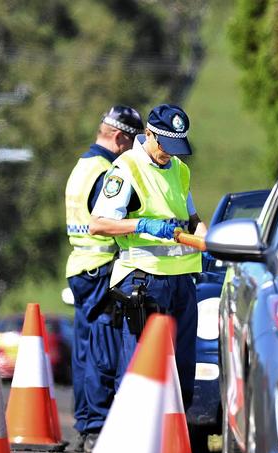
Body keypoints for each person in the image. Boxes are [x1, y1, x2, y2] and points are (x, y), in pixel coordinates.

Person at [89, 104, 206, 410]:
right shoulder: (126, 168)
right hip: (144, 282)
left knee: (181, 370)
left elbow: (192, 219)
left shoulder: (180, 170)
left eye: (176, 147)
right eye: (164, 145)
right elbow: (98, 224)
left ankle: (172, 452)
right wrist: (142, 224)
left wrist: (206, 236)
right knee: (140, 369)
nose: (169, 153)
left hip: (182, 282)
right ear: (148, 134)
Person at [65, 105, 144, 453]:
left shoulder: (84, 165)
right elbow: (109, 218)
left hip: (81, 265)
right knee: (102, 348)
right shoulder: (106, 171)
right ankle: (96, 425)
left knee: (85, 350)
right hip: (99, 266)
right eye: (132, 142)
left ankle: (85, 424)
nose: (133, 150)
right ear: (119, 137)